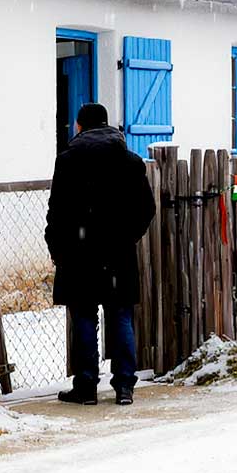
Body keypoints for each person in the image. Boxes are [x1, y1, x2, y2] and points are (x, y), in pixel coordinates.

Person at [45, 102, 156, 405]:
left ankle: (86, 386)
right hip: (118, 253)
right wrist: (128, 236)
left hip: (78, 255)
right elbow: (146, 209)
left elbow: (56, 212)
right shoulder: (130, 162)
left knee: (83, 316)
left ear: (79, 126)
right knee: (120, 315)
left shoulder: (67, 161)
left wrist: (57, 248)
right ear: (109, 127)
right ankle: (124, 386)